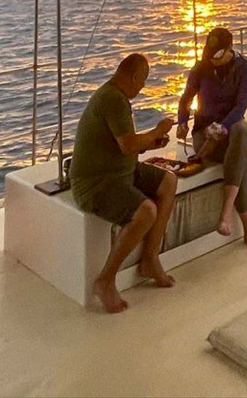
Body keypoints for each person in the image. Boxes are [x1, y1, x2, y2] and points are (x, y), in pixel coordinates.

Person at [70, 53, 178, 313]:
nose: (142, 88)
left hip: (123, 170)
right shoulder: (111, 99)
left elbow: (127, 145)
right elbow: (128, 143)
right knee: (146, 211)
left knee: (168, 182)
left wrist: (152, 142)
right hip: (96, 182)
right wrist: (158, 131)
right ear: (132, 76)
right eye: (142, 80)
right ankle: (105, 279)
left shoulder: (118, 98)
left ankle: (150, 258)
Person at [176, 27, 247, 249]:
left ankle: (226, 214)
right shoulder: (201, 68)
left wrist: (221, 128)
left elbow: (241, 106)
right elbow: (186, 98)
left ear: (230, 49)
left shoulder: (244, 68)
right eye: (210, 56)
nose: (213, 60)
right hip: (204, 136)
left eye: (218, 56)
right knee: (239, 155)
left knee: (241, 131)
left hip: (229, 131)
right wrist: (182, 120)